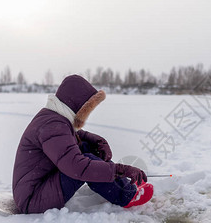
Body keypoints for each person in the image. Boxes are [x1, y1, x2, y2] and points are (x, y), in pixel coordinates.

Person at [12, 74, 153, 214]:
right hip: (33, 199)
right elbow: (76, 167)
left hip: (37, 187)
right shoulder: (53, 125)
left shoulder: (53, 118)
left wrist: (95, 140)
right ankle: (127, 197)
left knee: (86, 147)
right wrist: (121, 170)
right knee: (85, 161)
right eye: (88, 109)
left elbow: (67, 138)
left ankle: (120, 186)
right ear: (78, 105)